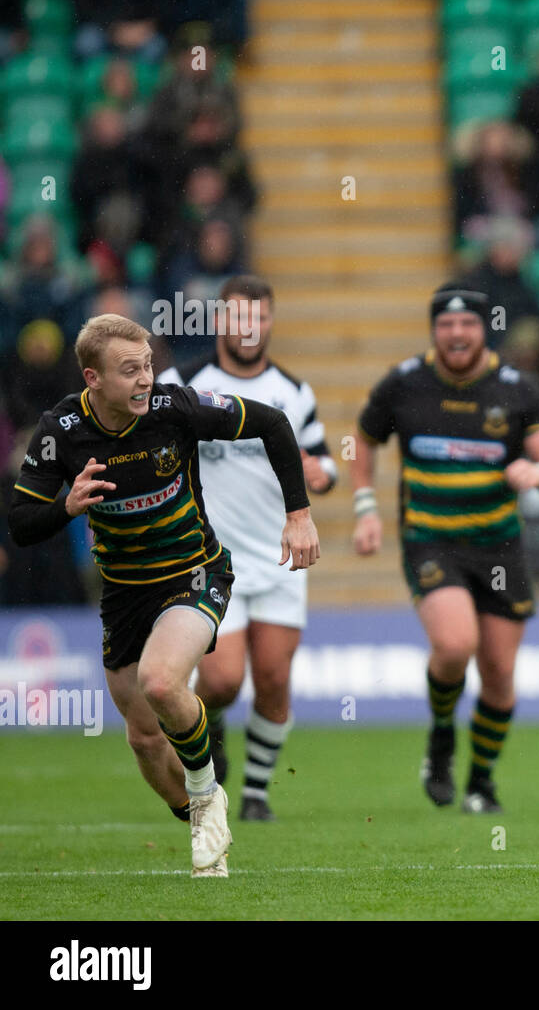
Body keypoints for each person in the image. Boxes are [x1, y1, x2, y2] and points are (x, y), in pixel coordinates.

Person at [7, 313, 319, 876]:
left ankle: (206, 793)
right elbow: (21, 521)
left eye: (148, 364)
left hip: (193, 572)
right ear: (92, 378)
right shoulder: (61, 430)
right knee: (145, 740)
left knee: (160, 681)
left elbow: (273, 423)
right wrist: (67, 507)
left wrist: (298, 515)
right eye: (130, 370)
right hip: (123, 595)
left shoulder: (175, 408)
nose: (146, 379)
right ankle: (201, 816)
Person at [351, 285, 539, 813]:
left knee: (498, 675)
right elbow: (364, 438)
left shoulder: (517, 389)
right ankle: (442, 737)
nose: (456, 334)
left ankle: (480, 781)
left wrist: (536, 471)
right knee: (454, 646)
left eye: (467, 324)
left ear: (483, 329)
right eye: (446, 325)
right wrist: (365, 507)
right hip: (431, 540)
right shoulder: (405, 382)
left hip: (499, 549)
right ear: (434, 331)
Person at [157, 275, 335, 822]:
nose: (249, 328)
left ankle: (256, 793)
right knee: (223, 679)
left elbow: (325, 463)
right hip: (208, 558)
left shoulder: (293, 391)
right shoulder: (181, 382)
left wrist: (320, 475)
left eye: (258, 317)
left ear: (271, 322)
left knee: (276, 678)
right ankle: (209, 730)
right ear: (219, 322)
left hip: (280, 555)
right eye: (238, 317)